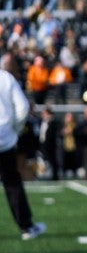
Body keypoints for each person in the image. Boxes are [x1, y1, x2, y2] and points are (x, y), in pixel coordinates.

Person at [0, 68, 46, 239]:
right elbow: (23, 107)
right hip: (5, 140)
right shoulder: (6, 78)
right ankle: (26, 227)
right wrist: (15, 130)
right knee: (12, 183)